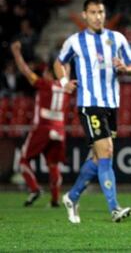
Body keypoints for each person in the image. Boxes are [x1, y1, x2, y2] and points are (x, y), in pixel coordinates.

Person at [54, 0, 131, 223]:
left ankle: (72, 197)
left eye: (100, 12)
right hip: (89, 103)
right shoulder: (75, 41)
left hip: (112, 104)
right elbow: (58, 62)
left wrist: (125, 67)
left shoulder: (117, 38)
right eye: (92, 12)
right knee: (107, 152)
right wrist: (64, 82)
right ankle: (114, 208)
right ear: (84, 15)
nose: (97, 16)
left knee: (97, 157)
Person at [10, 40, 72, 207]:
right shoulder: (67, 88)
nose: (43, 73)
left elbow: (25, 70)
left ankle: (34, 188)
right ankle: (55, 199)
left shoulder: (45, 84)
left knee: (23, 160)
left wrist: (16, 53)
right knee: (53, 165)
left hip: (43, 128)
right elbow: (66, 71)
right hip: (59, 130)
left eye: (45, 72)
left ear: (50, 74)